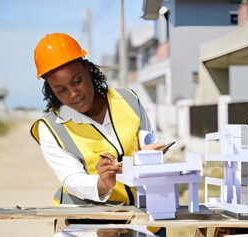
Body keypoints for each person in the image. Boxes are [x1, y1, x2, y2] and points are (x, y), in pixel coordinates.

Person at [30, 33, 164, 207]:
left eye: (77, 81)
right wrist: (102, 184)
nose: (73, 93)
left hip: (142, 213)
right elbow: (71, 179)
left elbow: (148, 142)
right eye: (60, 90)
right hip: (86, 222)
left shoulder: (128, 100)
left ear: (89, 70)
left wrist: (151, 155)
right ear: (51, 91)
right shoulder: (50, 128)